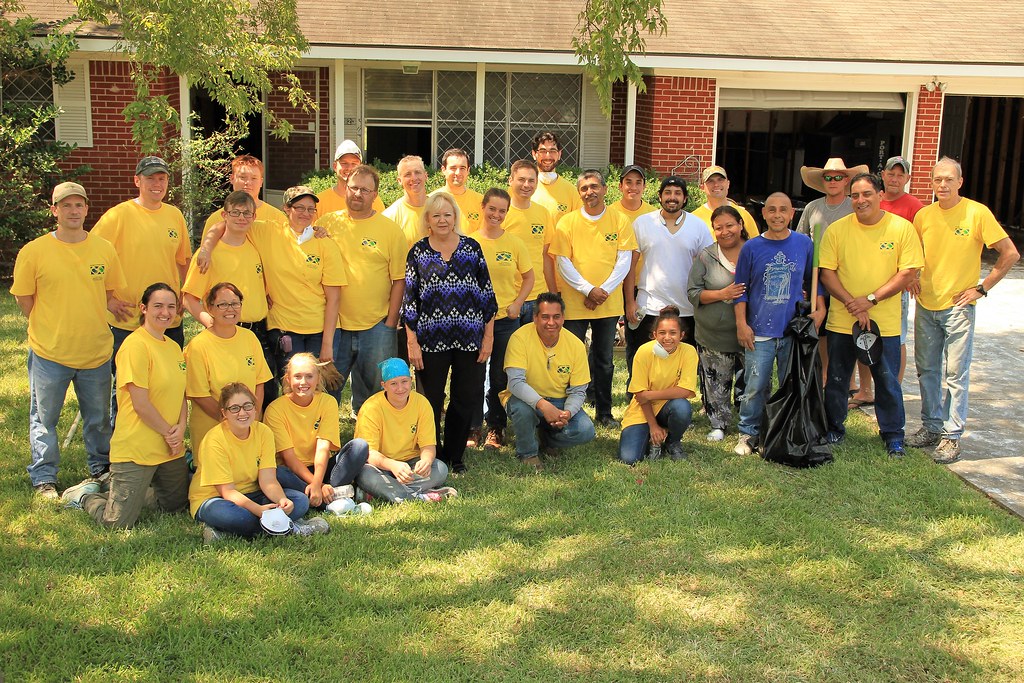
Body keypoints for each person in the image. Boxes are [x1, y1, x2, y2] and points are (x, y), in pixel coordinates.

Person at [11, 182, 125, 498]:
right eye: (66, 206)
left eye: (79, 205)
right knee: (44, 420)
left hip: (96, 352)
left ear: (87, 209)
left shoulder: (103, 249)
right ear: (54, 211)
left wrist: (118, 306)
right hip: (50, 353)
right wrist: (50, 325)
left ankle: (101, 469)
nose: (73, 211)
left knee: (99, 419)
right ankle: (44, 478)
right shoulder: (33, 251)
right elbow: (24, 298)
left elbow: (108, 294)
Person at [908, 157, 1019, 463]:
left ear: (960, 182)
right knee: (927, 371)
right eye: (936, 180)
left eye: (948, 179)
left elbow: (1010, 254)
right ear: (931, 183)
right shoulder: (924, 216)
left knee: (956, 375)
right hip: (926, 305)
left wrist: (982, 288)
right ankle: (930, 427)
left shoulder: (976, 212)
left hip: (958, 307)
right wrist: (914, 276)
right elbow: (915, 253)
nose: (942, 185)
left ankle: (952, 436)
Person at [62, 283, 189, 528]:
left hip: (169, 445)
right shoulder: (135, 346)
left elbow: (181, 394)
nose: (165, 312)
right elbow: (140, 404)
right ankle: (85, 496)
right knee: (117, 522)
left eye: (171, 306)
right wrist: (169, 433)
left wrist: (181, 428)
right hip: (137, 446)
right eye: (158, 306)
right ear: (143, 308)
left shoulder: (173, 347)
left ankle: (129, 492)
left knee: (174, 506)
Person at [819, 174, 923, 457]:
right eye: (855, 195)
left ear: (880, 195)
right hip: (842, 319)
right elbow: (827, 273)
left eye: (866, 194)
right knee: (838, 379)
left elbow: (907, 273)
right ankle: (834, 428)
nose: (860, 200)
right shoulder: (837, 230)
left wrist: (871, 300)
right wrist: (853, 303)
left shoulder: (902, 229)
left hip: (884, 323)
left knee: (887, 380)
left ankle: (893, 435)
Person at [91, 156, 191, 428]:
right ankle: (121, 446)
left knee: (168, 382)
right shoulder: (118, 215)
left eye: (162, 178)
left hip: (169, 319)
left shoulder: (174, 215)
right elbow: (92, 255)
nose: (157, 184)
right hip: (129, 319)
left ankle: (167, 438)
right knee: (127, 388)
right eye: (150, 178)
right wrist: (108, 298)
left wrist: (184, 293)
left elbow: (184, 261)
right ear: (137, 181)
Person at [403, 192, 497, 473]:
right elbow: (410, 302)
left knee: (465, 396)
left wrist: (488, 337)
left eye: (447, 214)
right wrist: (412, 343)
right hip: (430, 341)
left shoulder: (472, 249)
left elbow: (487, 297)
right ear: (427, 220)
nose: (442, 220)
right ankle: (434, 454)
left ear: (455, 217)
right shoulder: (418, 252)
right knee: (430, 400)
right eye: (436, 215)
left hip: (470, 338)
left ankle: (455, 456)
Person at [733, 192, 825, 456]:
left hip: (792, 330)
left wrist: (820, 309)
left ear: (791, 214)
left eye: (783, 210)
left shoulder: (804, 244)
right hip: (759, 328)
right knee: (755, 385)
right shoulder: (751, 247)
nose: (777, 215)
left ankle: (783, 429)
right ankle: (748, 433)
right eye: (771, 210)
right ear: (763, 214)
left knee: (790, 382)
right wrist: (742, 323)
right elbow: (741, 290)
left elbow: (814, 281)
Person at [314, 164, 406, 413]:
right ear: (345, 188)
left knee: (377, 390)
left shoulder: (390, 230)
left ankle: (372, 434)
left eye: (365, 190)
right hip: (334, 325)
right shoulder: (326, 224)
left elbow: (399, 279)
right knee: (325, 388)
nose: (358, 194)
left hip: (376, 325)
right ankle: (323, 437)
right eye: (353, 188)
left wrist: (390, 321)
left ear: (375, 195)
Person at [550, 169, 637, 427]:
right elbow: (563, 262)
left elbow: (624, 259)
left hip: (607, 305)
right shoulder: (567, 223)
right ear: (579, 193)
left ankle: (604, 412)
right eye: (585, 188)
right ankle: (570, 411)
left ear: (605, 189)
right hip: (575, 304)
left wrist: (602, 292)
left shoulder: (619, 221)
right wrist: (588, 290)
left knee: (604, 361)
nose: (590, 192)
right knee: (571, 360)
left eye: (595, 186)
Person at [188, 383, 325, 542]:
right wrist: (259, 511)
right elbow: (227, 492)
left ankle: (227, 534)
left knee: (299, 501)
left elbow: (268, 480)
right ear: (224, 413)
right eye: (234, 408)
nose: (242, 413)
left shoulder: (263, 432)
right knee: (233, 516)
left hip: (253, 494)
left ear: (255, 408)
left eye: (247, 406)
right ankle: (292, 528)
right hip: (215, 500)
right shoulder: (214, 440)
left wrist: (281, 499)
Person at [182, 191, 275, 406]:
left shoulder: (254, 246)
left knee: (265, 393)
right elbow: (189, 298)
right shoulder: (209, 254)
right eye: (235, 213)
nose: (241, 218)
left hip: (258, 332)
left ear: (254, 217)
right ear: (224, 215)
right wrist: (211, 323)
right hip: (225, 332)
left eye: (246, 213)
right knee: (228, 393)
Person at [624, 175, 712, 384]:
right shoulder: (643, 223)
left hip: (686, 308)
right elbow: (629, 265)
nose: (672, 198)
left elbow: (708, 266)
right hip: (648, 306)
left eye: (677, 193)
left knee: (682, 365)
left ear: (685, 198)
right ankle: (637, 402)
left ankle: (675, 404)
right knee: (640, 359)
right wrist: (630, 302)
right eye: (668, 193)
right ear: (660, 196)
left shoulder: (698, 226)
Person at [468, 188, 535, 450]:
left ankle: (496, 427)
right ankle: (472, 427)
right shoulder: (469, 242)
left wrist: (518, 303)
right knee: (473, 374)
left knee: (499, 376)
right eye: (492, 208)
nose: (496, 214)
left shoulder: (514, 243)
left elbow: (529, 277)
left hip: (505, 320)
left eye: (502, 211)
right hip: (474, 322)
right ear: (482, 207)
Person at [796, 157, 870, 392]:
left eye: (838, 177)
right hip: (819, 278)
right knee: (824, 329)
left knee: (853, 327)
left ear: (846, 180)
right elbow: (801, 242)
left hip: (849, 277)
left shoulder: (855, 205)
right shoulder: (812, 208)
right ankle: (826, 375)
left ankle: (852, 381)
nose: (833, 181)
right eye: (828, 177)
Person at [262, 186, 345, 388]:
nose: (305, 214)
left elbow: (334, 298)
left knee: (318, 387)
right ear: (286, 208)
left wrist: (327, 345)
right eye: (299, 208)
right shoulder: (268, 232)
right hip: (284, 327)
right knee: (293, 385)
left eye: (311, 209)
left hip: (318, 329)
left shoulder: (325, 243)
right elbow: (230, 224)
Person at [502, 292, 595, 471]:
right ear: (535, 318)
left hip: (560, 401)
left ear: (563, 318)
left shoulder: (575, 344)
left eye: (556, 317)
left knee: (585, 430)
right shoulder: (519, 338)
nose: (551, 322)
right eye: (545, 317)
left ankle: (545, 437)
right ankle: (528, 453)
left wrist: (567, 412)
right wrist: (543, 406)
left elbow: (578, 391)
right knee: (523, 411)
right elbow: (515, 383)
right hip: (525, 399)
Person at [265, 353, 370, 507]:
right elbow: (289, 459)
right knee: (278, 473)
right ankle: (331, 495)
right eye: (297, 376)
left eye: (309, 376)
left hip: (322, 468)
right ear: (288, 379)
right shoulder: (275, 410)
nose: (303, 382)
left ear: (318, 378)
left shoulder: (328, 402)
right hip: (293, 472)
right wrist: (318, 485)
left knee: (359, 447)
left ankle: (320, 496)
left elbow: (323, 448)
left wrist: (317, 482)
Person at [183, 282, 272, 450]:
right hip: (213, 433)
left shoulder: (249, 338)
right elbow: (199, 395)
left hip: (248, 429)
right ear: (210, 308)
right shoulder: (198, 346)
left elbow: (260, 382)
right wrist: (234, 422)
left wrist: (252, 419)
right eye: (222, 304)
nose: (230, 309)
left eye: (235, 303)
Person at [687, 205, 749, 441]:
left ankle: (748, 423)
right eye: (718, 228)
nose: (725, 231)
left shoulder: (754, 252)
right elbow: (693, 292)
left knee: (749, 381)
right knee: (716, 381)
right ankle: (718, 424)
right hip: (713, 334)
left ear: (741, 225)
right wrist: (722, 294)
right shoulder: (706, 256)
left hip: (749, 333)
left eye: (730, 225)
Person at [354, 358, 456, 502]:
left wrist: (426, 461)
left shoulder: (421, 403)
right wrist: (392, 465)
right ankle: (418, 495)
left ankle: (389, 493)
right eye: (393, 384)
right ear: (384, 385)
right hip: (381, 466)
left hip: (411, 465)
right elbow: (369, 454)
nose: (400, 388)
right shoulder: (371, 408)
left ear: (411, 380)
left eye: (404, 381)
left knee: (440, 468)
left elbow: (428, 446)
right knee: (363, 473)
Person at [872, 155, 927, 401]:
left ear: (908, 179)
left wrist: (914, 274)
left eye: (900, 175)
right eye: (890, 174)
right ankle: (864, 388)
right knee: (865, 333)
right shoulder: (873, 199)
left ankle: (894, 388)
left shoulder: (915, 207)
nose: (894, 179)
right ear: (882, 175)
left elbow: (924, 244)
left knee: (897, 336)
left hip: (897, 284)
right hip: (869, 279)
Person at [618, 306, 698, 465]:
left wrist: (650, 394)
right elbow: (640, 397)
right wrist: (653, 426)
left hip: (668, 406)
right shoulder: (644, 352)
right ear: (654, 335)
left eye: (673, 333)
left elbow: (685, 391)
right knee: (629, 459)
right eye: (662, 333)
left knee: (682, 408)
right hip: (642, 409)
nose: (667, 337)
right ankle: (654, 434)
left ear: (682, 335)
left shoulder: (689, 352)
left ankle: (672, 442)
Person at [503, 159, 557, 321]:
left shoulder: (543, 213)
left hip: (537, 296)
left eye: (531, 180)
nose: (526, 185)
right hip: (508, 296)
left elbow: (546, 256)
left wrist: (552, 293)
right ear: (510, 180)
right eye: (521, 179)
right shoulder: (500, 213)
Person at [199, 154, 286, 234]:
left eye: (254, 178)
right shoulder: (216, 219)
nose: (248, 182)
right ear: (232, 179)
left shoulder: (277, 218)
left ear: (261, 182)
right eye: (242, 177)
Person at [317, 140, 385, 215]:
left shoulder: (373, 201)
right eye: (344, 163)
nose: (349, 168)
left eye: (354, 163)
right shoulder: (320, 202)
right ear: (335, 166)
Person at [691, 165, 760, 238]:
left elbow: (756, 246)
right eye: (710, 181)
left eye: (720, 180)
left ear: (728, 184)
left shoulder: (743, 215)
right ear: (702, 187)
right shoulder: (694, 219)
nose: (716, 185)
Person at [530, 131, 582, 223]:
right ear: (534, 154)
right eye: (542, 151)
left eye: (552, 151)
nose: (548, 156)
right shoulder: (524, 188)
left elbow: (579, 225)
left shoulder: (571, 191)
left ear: (559, 154)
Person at [432, 148, 483, 234]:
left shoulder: (481, 202)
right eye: (453, 168)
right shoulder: (431, 200)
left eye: (462, 168)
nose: (458, 172)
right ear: (443, 170)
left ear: (468, 171)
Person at [384, 155, 429, 247]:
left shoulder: (439, 209)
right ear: (399, 180)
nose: (414, 178)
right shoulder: (389, 217)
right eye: (408, 174)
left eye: (417, 172)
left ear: (426, 176)